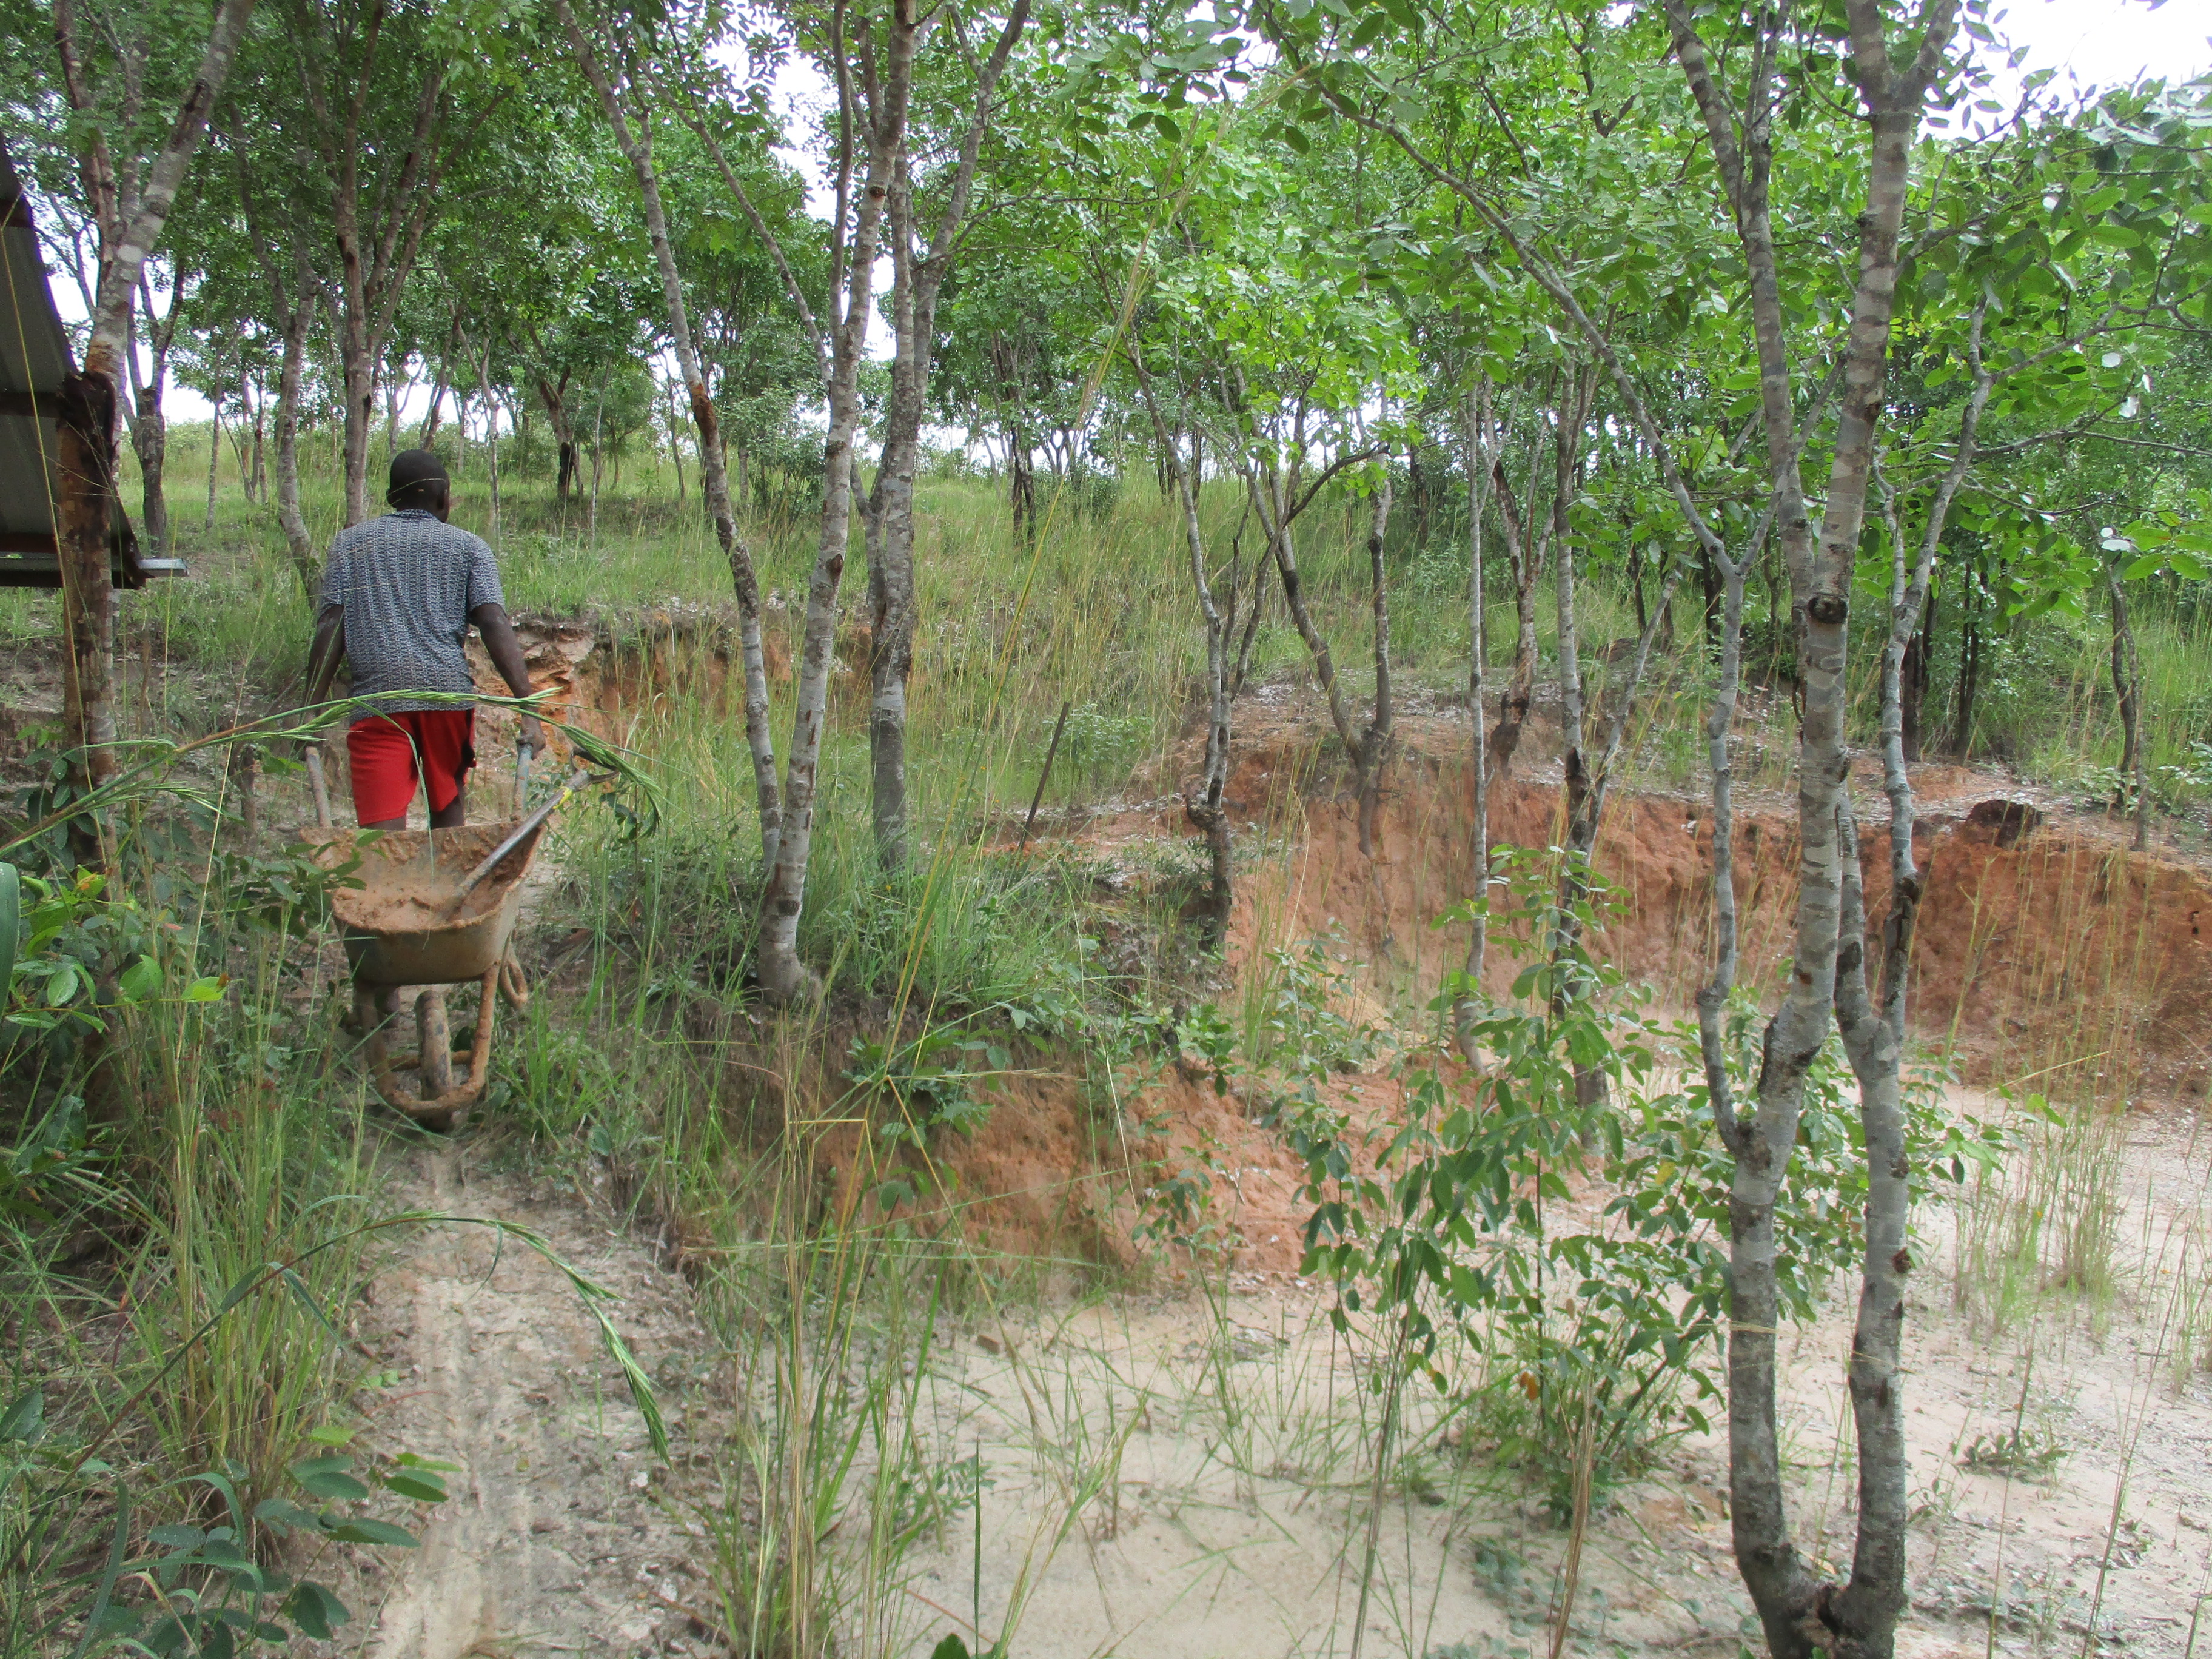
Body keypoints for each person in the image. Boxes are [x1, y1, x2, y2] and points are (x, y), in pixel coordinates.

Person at [304, 450, 545, 830]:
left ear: (390, 498)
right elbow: (493, 621)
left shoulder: (350, 544)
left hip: (379, 703)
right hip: (445, 700)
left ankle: (388, 883)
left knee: (380, 834)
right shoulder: (468, 547)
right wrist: (528, 709)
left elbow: (330, 625)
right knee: (449, 818)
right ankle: (448, 880)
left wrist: (310, 710)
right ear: (443, 497)